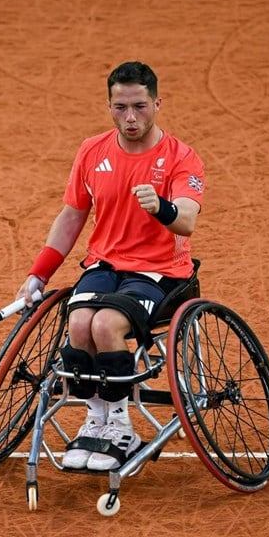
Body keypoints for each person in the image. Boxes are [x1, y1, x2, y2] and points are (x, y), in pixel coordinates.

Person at [16, 60, 205, 472]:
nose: (131, 117)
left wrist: (162, 208)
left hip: (159, 271)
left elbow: (187, 220)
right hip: (104, 263)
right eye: (121, 107)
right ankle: (96, 419)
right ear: (109, 106)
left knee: (105, 326)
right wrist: (38, 274)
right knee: (80, 322)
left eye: (140, 106)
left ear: (157, 103)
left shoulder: (181, 158)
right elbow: (71, 217)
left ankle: (121, 426)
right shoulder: (92, 151)